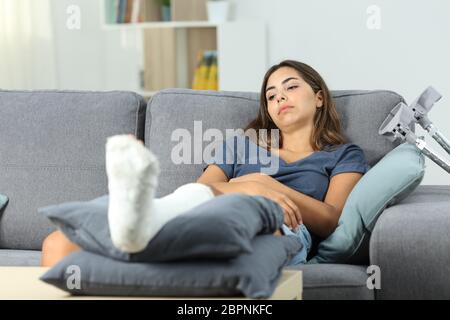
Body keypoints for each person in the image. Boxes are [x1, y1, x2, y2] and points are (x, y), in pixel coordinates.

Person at [41, 60, 370, 267]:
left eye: (290, 87)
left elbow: (331, 219)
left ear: (319, 97)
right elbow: (199, 191)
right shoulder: (245, 145)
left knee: (249, 218)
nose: (280, 97)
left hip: (281, 229)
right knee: (58, 243)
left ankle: (141, 228)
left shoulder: (341, 154)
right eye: (271, 95)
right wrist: (252, 186)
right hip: (206, 210)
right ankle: (139, 222)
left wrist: (265, 186)